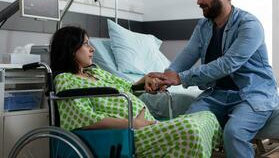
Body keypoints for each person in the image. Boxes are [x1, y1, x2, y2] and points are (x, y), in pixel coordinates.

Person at [149, 0, 279, 158]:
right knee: (188, 127)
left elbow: (227, 64)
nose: (199, 1)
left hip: (252, 94)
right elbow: (188, 54)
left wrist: (180, 78)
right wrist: (167, 76)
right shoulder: (203, 26)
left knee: (234, 133)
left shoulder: (249, 25)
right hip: (217, 95)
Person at [50, 26, 222, 157]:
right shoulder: (66, 79)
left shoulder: (95, 71)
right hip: (123, 135)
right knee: (189, 129)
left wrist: (145, 81)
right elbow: (84, 119)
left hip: (144, 127)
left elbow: (128, 87)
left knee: (206, 116)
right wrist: (133, 123)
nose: (92, 48)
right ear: (71, 49)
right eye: (86, 44)